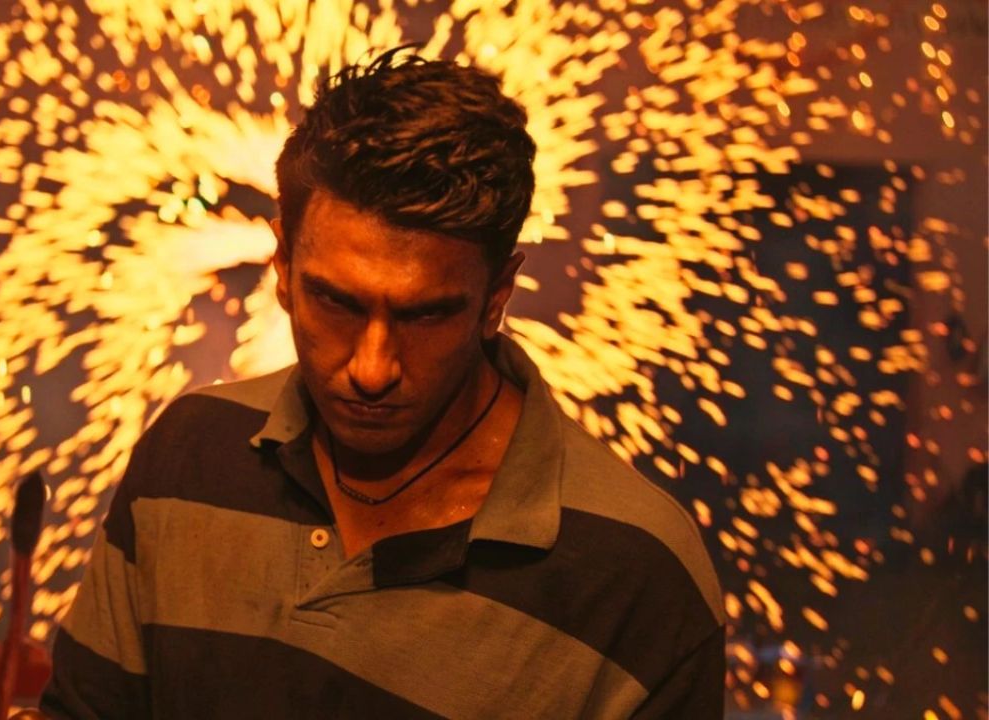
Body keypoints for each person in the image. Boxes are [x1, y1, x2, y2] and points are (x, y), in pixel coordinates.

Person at [41, 46, 723, 719]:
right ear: (282, 268)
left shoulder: (640, 575)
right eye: (336, 302)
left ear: (496, 298)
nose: (372, 370)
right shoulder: (190, 453)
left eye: (424, 315)